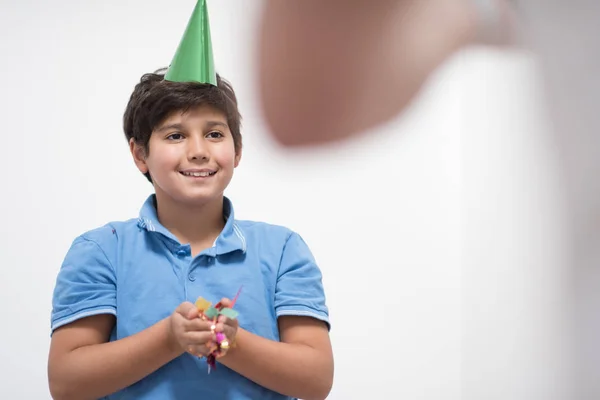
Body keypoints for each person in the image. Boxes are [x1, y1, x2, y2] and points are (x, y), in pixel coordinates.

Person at [47, 1, 333, 399]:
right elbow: (66, 381)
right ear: (140, 154)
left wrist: (229, 341)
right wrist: (169, 337)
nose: (198, 150)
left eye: (214, 134)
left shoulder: (282, 249)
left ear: (237, 151)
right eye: (175, 135)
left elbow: (316, 379)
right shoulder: (101, 250)